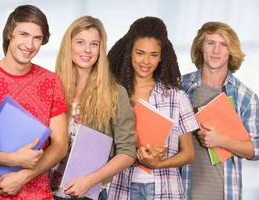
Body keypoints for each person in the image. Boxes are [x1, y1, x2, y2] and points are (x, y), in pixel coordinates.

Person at [0, 5, 69, 200]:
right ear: (10, 33)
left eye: (37, 38)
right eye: (24, 34)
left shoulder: (51, 81)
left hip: (39, 195)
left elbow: (60, 145)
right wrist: (12, 159)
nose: (30, 44)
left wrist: (23, 176)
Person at [107, 16, 199, 200]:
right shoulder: (112, 95)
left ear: (161, 57)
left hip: (165, 189)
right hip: (122, 187)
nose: (146, 61)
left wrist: (158, 163)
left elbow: (188, 153)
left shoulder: (177, 97)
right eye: (140, 53)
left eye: (153, 55)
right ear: (130, 53)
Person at [49, 15, 137, 200]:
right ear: (69, 45)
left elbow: (127, 152)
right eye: (80, 42)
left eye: (94, 44)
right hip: (46, 192)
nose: (87, 50)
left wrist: (90, 180)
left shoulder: (115, 93)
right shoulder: (50, 87)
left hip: (88, 194)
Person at [180, 21, 259, 200]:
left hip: (225, 194)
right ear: (201, 47)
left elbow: (256, 150)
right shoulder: (181, 87)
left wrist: (222, 140)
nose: (216, 51)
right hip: (182, 191)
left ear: (231, 50)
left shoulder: (245, 97)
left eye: (223, 44)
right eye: (210, 43)